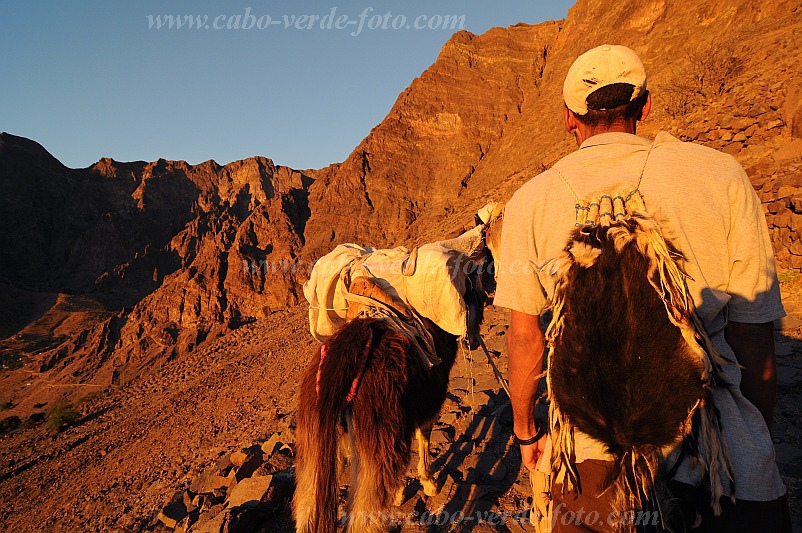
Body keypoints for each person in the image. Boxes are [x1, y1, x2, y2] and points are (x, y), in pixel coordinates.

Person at [494, 44, 792, 532]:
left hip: (590, 454)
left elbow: (526, 336)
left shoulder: (531, 201)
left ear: (570, 118)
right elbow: (754, 333)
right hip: (716, 448)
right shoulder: (721, 176)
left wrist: (528, 433)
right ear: (645, 105)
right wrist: (752, 428)